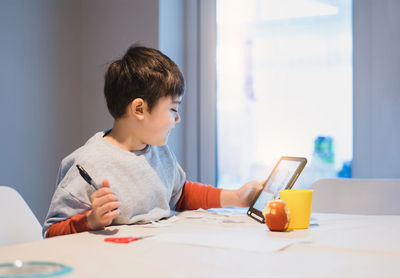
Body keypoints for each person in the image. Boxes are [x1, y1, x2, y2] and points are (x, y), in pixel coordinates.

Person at [43, 45, 262, 238]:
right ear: (139, 109)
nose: (177, 118)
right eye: (173, 109)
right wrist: (90, 221)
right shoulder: (88, 164)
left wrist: (237, 197)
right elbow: (52, 232)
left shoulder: (159, 151)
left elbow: (181, 194)